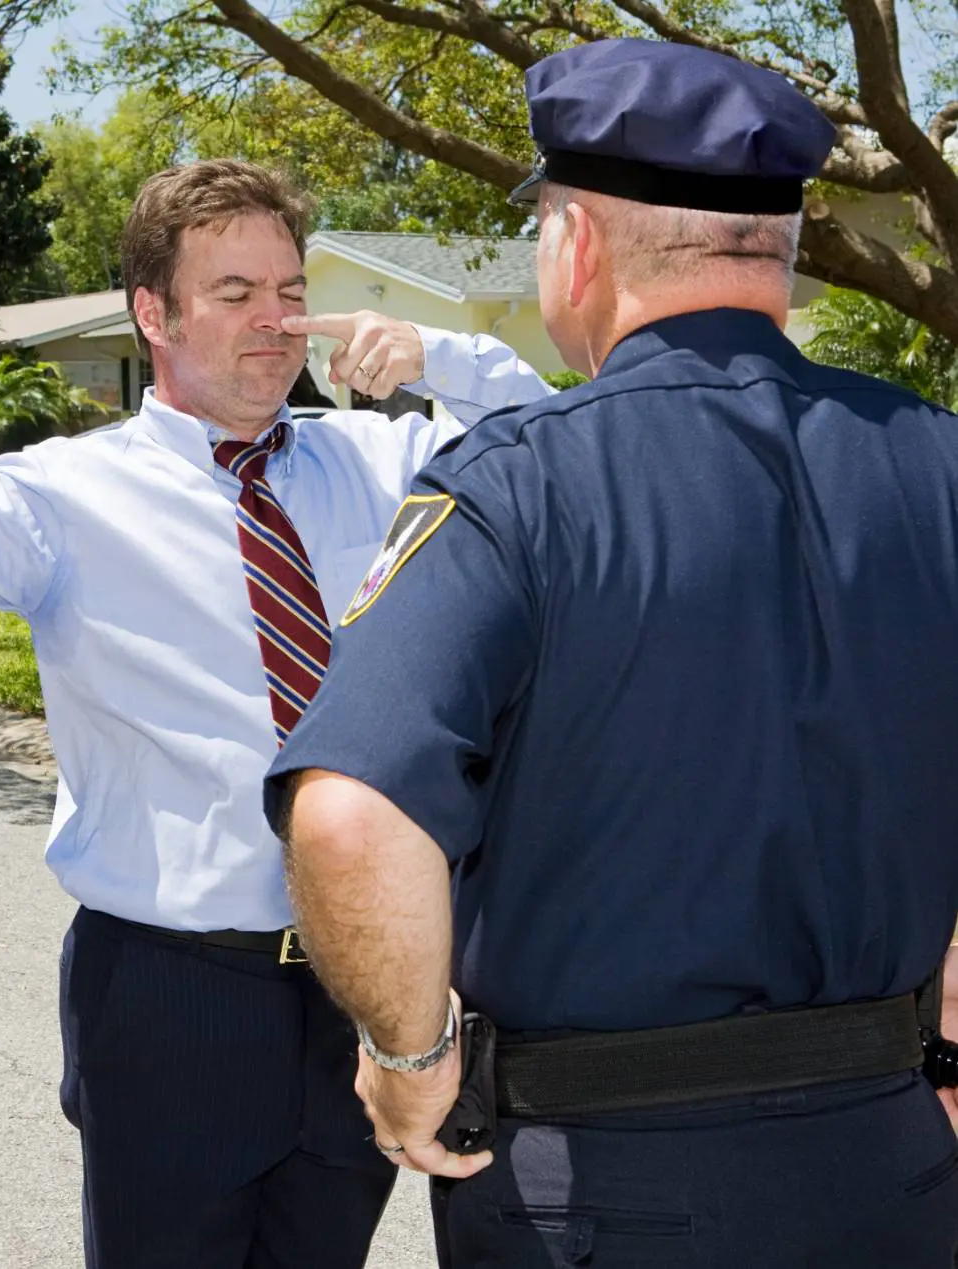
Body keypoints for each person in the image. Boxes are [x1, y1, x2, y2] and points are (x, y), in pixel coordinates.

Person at [0, 159, 553, 1267]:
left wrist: (447, 358)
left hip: (372, 988)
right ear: (154, 312)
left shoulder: (388, 459)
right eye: (234, 293)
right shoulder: (62, 498)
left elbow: (554, 463)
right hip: (169, 992)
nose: (277, 320)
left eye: (289, 290)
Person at [265, 39, 958, 1269]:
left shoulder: (516, 485)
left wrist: (408, 1061)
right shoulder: (938, 465)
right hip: (893, 1168)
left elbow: (351, 819)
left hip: (598, 1191)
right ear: (780, 252)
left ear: (575, 242)